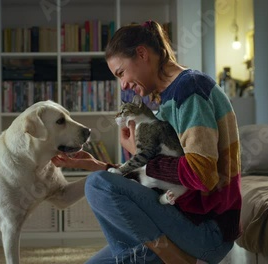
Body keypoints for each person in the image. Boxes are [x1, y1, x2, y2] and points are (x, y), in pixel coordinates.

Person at [51, 20, 242, 264]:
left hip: (206, 231)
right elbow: (154, 180)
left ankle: (175, 260)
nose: (124, 85)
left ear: (141, 54)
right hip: (180, 220)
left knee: (97, 185)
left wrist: (138, 155)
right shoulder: (167, 101)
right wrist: (99, 165)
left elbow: (202, 175)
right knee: (99, 186)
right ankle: (160, 255)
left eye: (121, 73)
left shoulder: (190, 89)